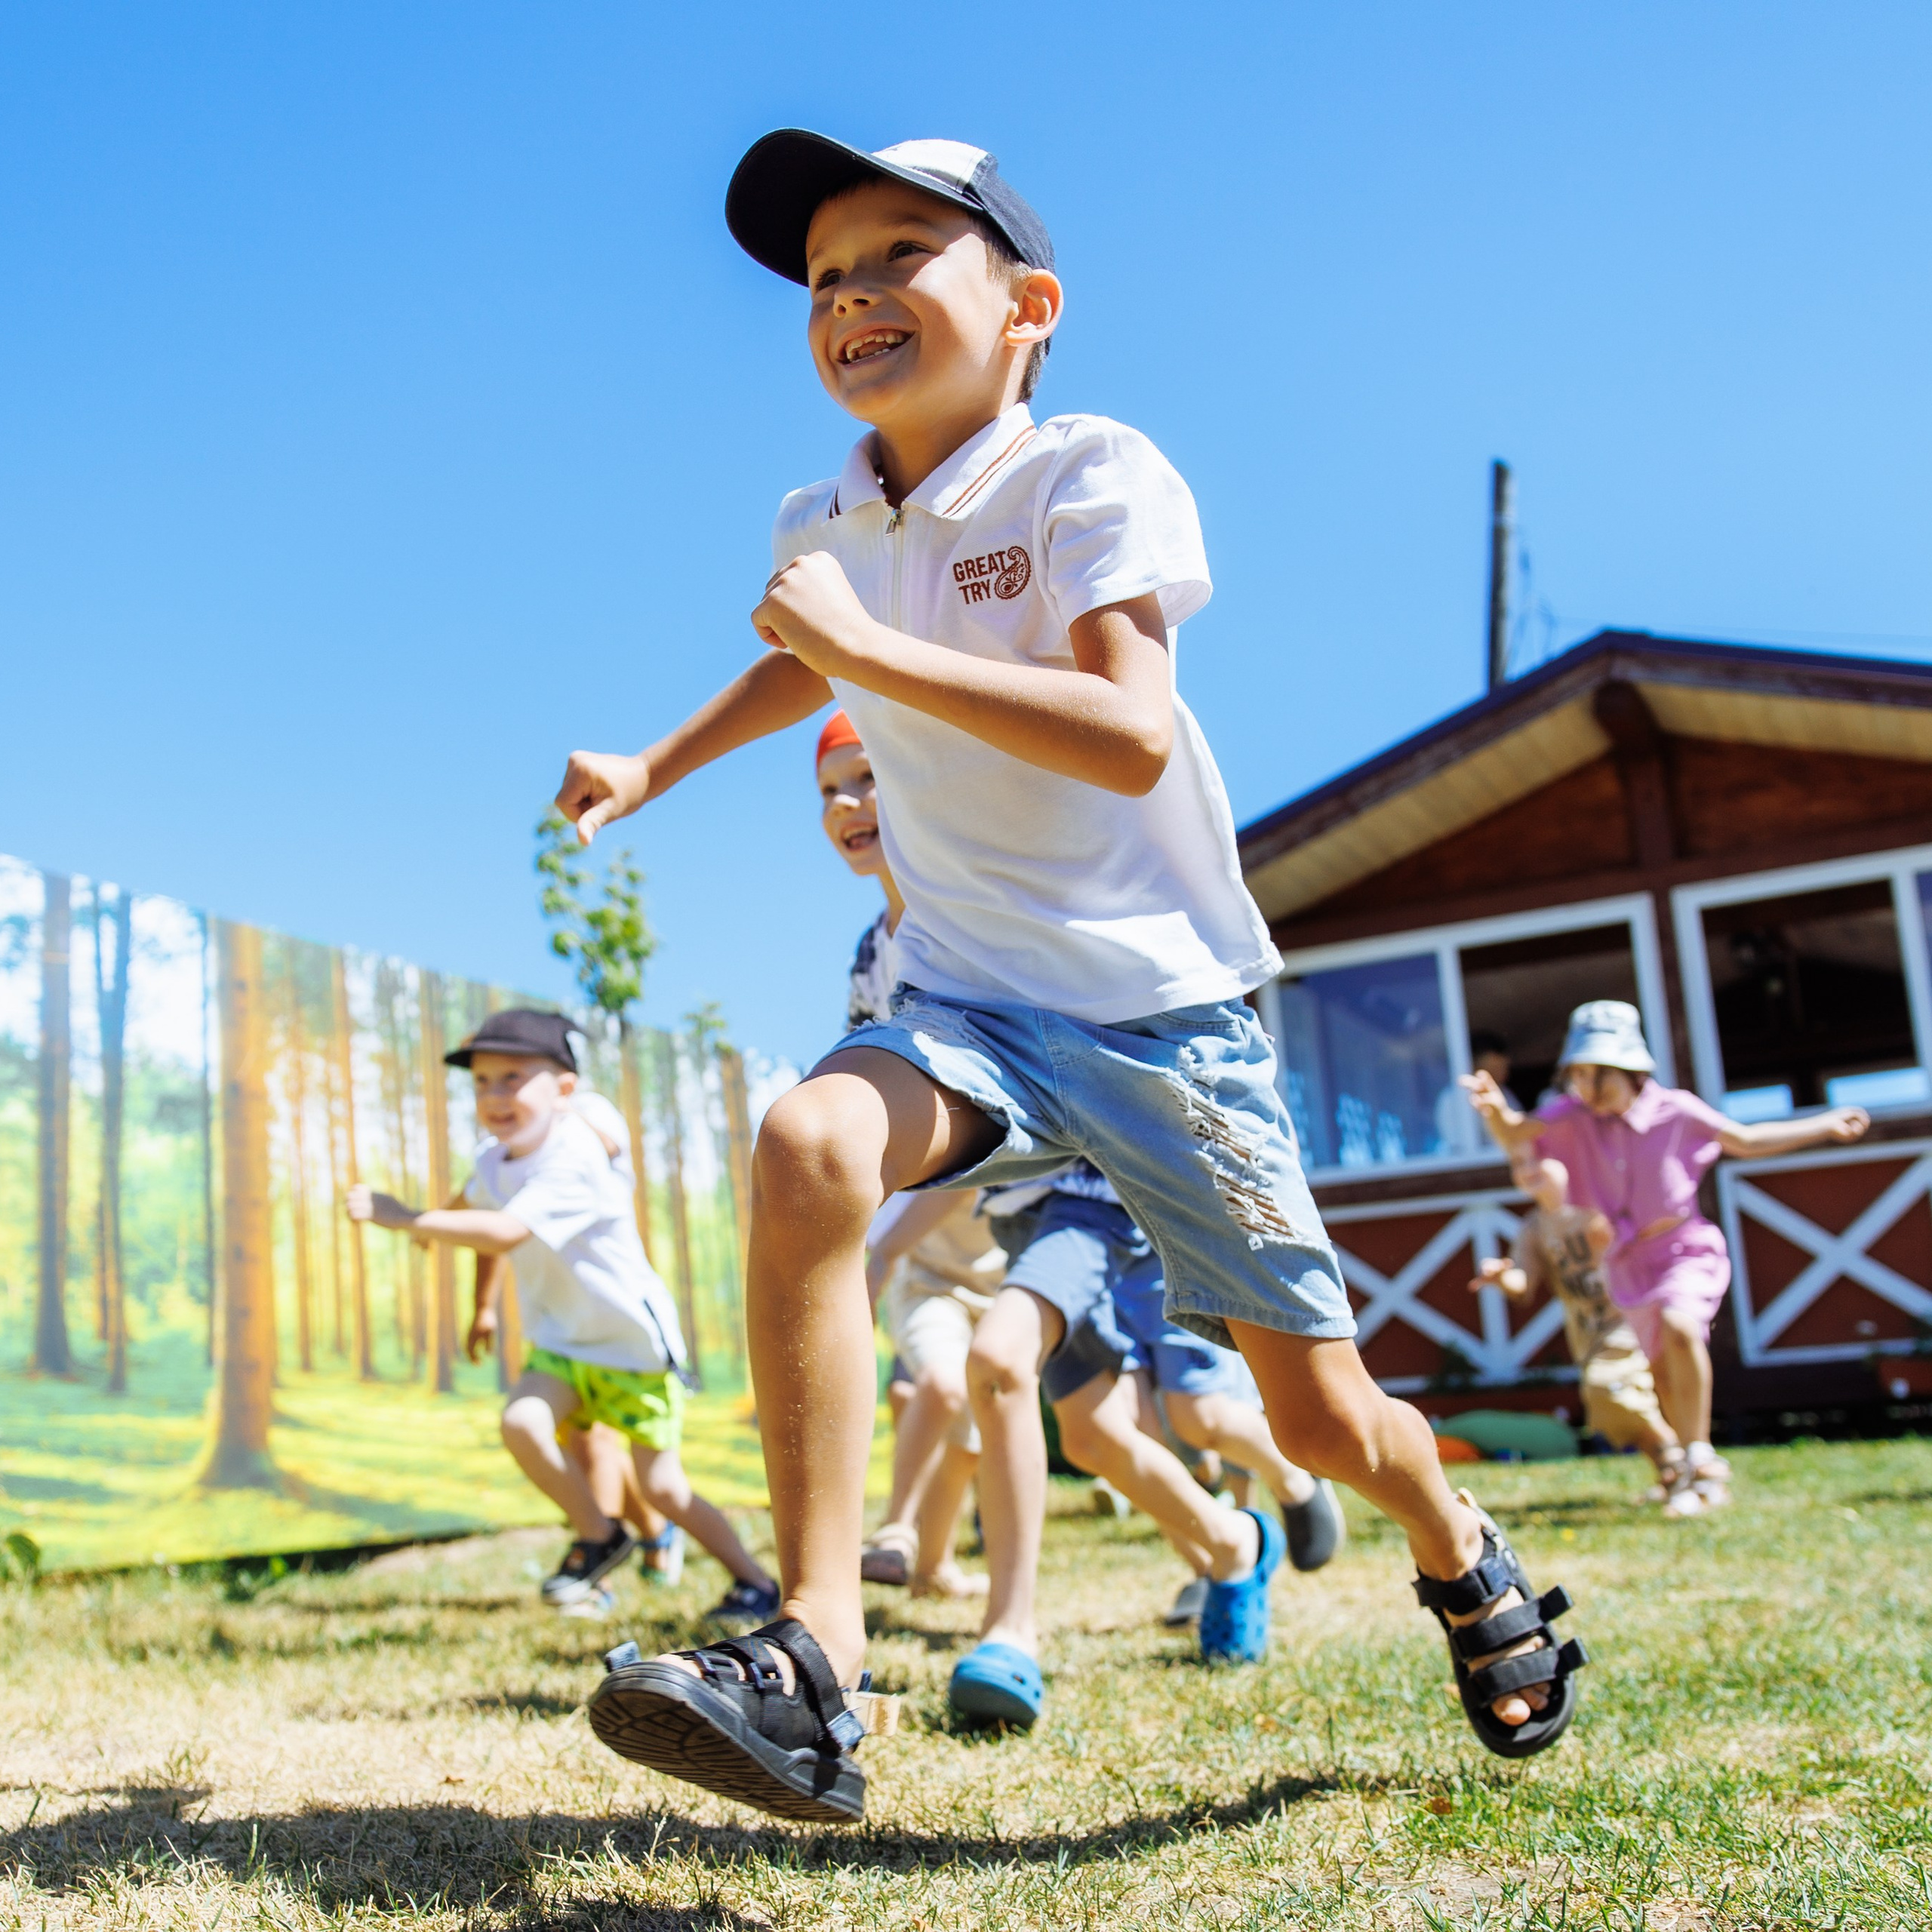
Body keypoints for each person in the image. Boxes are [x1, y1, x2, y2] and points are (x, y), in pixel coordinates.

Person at [564, 129, 1587, 1823]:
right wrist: (654, 762)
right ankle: (814, 1653)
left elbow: (1123, 735)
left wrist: (859, 649)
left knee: (1320, 1421)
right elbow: (789, 655)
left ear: (1027, 305)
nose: (853, 296)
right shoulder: (823, 514)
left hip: (1160, 1016)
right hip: (963, 995)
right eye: (825, 278)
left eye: (901, 254)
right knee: (807, 1142)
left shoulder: (1086, 470)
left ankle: (1450, 1532)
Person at [346, 1008, 778, 1623]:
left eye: (514, 1078)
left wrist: (409, 1218)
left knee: (662, 1488)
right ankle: (600, 1536)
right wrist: (479, 1304)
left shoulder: (576, 1152)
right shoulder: (495, 1159)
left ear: (564, 1091)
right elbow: (474, 1203)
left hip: (631, 1347)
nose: (495, 1095)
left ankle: (754, 1582)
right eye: (482, 1082)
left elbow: (503, 1229)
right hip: (565, 1344)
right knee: (523, 1423)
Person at [955, 1178, 1346, 1724]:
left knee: (1001, 1361)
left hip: (1087, 1197)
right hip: (1019, 1216)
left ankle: (1008, 1630)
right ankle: (1233, 1540)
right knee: (1093, 1439)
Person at [1463, 999, 1869, 1511]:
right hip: (1627, 1263)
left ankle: (1701, 1457)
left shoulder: (1675, 1110)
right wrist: (1497, 1113)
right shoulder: (1572, 1115)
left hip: (1682, 1248)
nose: (1588, 1090)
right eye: (1580, 1076)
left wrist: (1824, 1124)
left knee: (1680, 1327)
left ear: (1631, 1069)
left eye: (1599, 1077)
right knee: (1657, 1370)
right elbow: (1519, 1136)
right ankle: (1687, 1473)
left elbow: (1744, 1139)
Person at [817, 706, 996, 1598]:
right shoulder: (869, 954)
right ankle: (912, 1546)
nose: (847, 801)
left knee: (1077, 1420)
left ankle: (1238, 1530)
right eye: (829, 789)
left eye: (868, 774)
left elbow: (989, 1106)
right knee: (933, 1383)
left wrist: (881, 1243)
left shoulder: (966, 918)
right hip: (925, 1220)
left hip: (1003, 1216)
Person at [1472, 1149, 1697, 1514]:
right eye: (1517, 1165)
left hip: (1626, 1318)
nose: (1527, 1170)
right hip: (1588, 1332)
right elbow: (1523, 1282)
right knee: (1611, 1406)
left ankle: (1674, 1458)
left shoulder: (1595, 1206)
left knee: (1612, 1388)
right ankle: (1672, 1472)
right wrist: (1502, 1277)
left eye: (1537, 1160)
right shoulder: (1534, 1229)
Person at [1437, 1032, 1518, 1159]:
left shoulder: (1505, 1093)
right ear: (1474, 1065)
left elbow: (1519, 1132)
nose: (1504, 1074)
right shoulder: (1453, 1098)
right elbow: (1460, 1150)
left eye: (1504, 1067)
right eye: (1495, 1069)